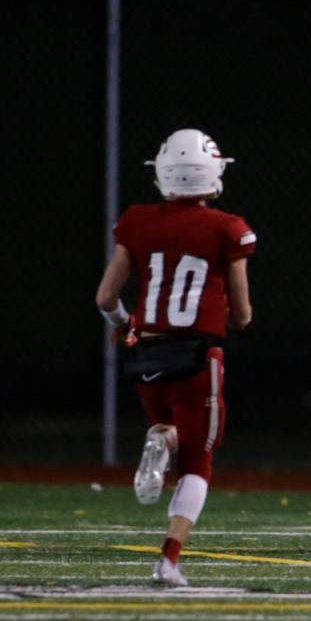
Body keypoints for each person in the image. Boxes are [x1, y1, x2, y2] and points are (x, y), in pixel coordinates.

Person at [95, 129, 255, 585]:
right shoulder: (229, 228)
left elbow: (106, 297)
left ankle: (163, 436)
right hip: (198, 356)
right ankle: (168, 560)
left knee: (174, 430)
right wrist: (236, 313)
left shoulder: (138, 220)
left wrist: (128, 328)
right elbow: (242, 315)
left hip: (145, 352)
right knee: (199, 464)